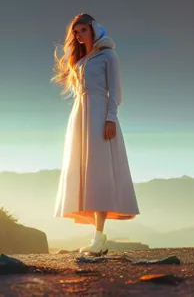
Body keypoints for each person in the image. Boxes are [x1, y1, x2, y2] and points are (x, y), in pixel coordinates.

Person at [51, 13, 140, 255]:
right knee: (84, 174)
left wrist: (111, 117)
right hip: (80, 117)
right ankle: (97, 237)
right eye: (76, 32)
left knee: (100, 172)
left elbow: (116, 91)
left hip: (101, 116)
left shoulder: (108, 55)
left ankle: (99, 238)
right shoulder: (80, 61)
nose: (79, 35)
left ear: (93, 30)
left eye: (83, 30)